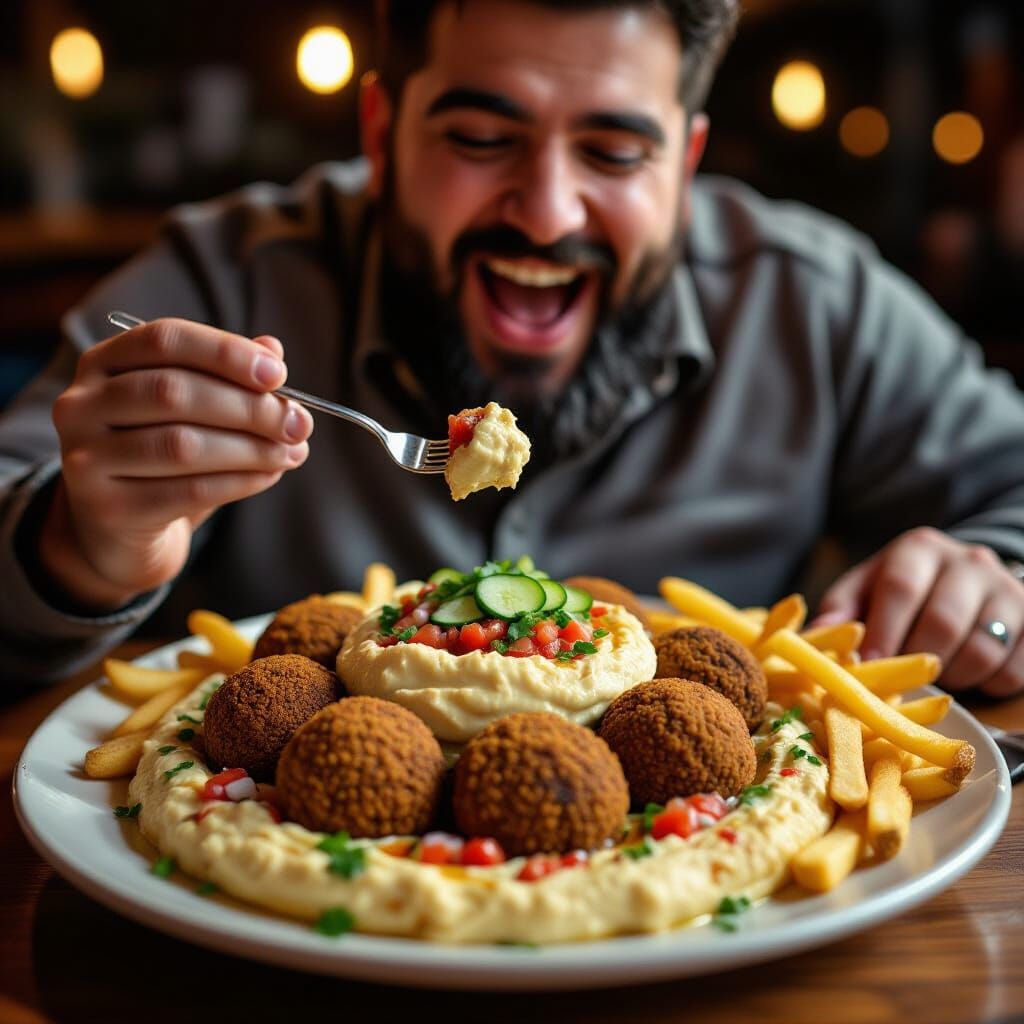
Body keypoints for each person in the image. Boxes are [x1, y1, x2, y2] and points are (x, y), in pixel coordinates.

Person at [1, 0, 1023, 697]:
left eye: (614, 152)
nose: (543, 214)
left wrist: (993, 581)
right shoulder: (227, 277)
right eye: (480, 139)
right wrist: (78, 543)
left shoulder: (816, 303)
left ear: (686, 159)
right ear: (380, 128)